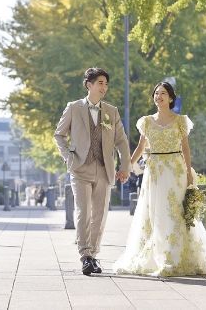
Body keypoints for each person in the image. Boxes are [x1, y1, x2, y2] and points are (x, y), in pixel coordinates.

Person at [113, 81, 206, 276]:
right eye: (156, 93)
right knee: (154, 212)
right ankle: (155, 256)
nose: (159, 96)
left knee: (174, 211)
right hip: (154, 172)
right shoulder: (146, 121)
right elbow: (140, 148)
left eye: (163, 93)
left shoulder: (180, 120)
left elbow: (185, 148)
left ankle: (174, 256)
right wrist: (126, 166)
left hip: (175, 170)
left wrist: (189, 173)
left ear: (171, 98)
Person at [54, 67, 130, 275]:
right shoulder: (74, 108)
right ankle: (85, 255)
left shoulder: (111, 111)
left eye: (106, 83)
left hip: (104, 169)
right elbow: (59, 135)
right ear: (89, 85)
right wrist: (68, 157)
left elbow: (121, 141)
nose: (104, 87)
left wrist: (125, 166)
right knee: (84, 212)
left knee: (100, 214)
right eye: (100, 83)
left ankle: (93, 255)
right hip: (80, 168)